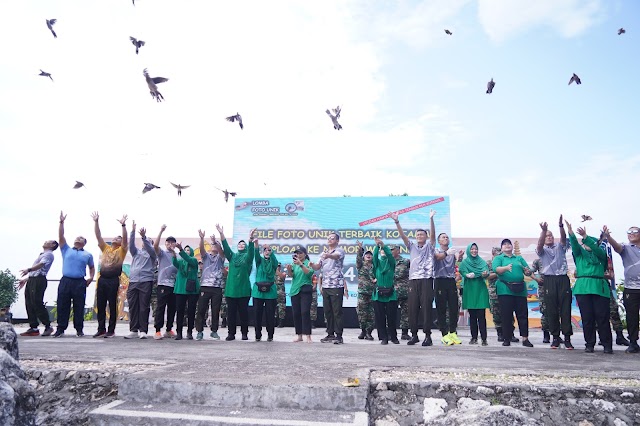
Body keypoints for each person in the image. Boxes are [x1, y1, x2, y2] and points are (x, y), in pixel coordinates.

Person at [390, 209, 436, 347]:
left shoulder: (430, 246)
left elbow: (433, 235)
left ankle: (428, 336)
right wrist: (397, 221)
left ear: (426, 236)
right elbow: (403, 236)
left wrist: (431, 219)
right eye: (417, 234)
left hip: (426, 279)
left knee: (426, 308)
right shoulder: (412, 247)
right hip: (413, 281)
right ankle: (414, 335)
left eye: (422, 234)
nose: (419, 236)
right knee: (412, 308)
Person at [567, 221, 612, 353]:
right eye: (584, 243)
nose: (585, 245)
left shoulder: (601, 255)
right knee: (587, 318)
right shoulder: (579, 256)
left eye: (588, 242)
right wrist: (571, 233)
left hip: (599, 287)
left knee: (602, 317)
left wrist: (586, 236)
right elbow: (575, 246)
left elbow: (598, 249)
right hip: (583, 288)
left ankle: (607, 345)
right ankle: (589, 344)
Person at [54, 211, 95, 338]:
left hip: (79, 282)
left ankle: (79, 329)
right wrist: (61, 223)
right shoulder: (66, 249)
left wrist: (91, 277)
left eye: (80, 238)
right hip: (66, 280)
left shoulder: (87, 254)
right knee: (62, 305)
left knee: (79, 306)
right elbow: (61, 236)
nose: (78, 239)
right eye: (77, 238)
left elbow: (92, 267)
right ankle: (60, 328)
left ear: (84, 243)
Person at [535, 216, 573, 349]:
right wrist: (543, 231)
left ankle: (567, 338)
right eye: (547, 236)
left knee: (565, 309)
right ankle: (555, 337)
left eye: (551, 235)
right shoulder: (542, 250)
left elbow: (563, 238)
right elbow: (539, 245)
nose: (549, 237)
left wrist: (561, 226)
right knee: (551, 310)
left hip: (562, 279)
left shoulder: (560, 247)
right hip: (549, 280)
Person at [602, 224, 640, 353]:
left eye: (634, 231)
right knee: (632, 316)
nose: (630, 234)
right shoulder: (626, 247)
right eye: (628, 232)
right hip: (631, 289)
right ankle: (633, 342)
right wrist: (608, 236)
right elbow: (616, 247)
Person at [91, 211, 128, 338]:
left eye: (118, 238)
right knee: (100, 304)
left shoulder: (121, 251)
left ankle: (111, 330)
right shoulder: (105, 248)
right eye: (115, 237)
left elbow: (125, 241)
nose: (115, 238)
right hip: (102, 279)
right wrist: (96, 222)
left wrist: (123, 226)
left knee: (112, 305)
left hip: (113, 280)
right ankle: (101, 328)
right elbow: (98, 236)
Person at [492, 238, 533, 347]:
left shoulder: (519, 258)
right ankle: (507, 338)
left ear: (512, 246)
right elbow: (496, 270)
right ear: (501, 248)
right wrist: (505, 268)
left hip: (520, 289)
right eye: (504, 244)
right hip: (505, 289)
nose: (507, 245)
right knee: (506, 315)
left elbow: (527, 270)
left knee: (523, 315)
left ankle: (525, 338)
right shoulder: (498, 258)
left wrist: (528, 272)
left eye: (509, 244)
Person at [218, 224, 256, 341]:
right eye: (239, 244)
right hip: (231, 290)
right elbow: (226, 247)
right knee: (231, 313)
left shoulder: (247, 257)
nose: (241, 245)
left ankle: (244, 333)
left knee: (243, 313)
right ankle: (231, 334)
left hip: (243, 290)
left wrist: (250, 240)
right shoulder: (232, 256)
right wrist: (221, 233)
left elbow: (251, 252)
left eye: (243, 244)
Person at [311, 232, 347, 345]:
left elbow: (336, 257)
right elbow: (318, 266)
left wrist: (329, 256)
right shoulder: (323, 253)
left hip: (336, 285)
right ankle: (330, 333)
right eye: (328, 238)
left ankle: (339, 335)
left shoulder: (339, 251)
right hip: (325, 285)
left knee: (337, 311)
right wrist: (312, 265)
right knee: (328, 312)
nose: (330, 240)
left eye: (332, 238)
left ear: (337, 241)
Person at [18, 240, 59, 337]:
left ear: (53, 245)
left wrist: (29, 269)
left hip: (39, 280)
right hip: (33, 279)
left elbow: (41, 265)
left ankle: (47, 326)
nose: (45, 242)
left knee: (37, 302)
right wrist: (27, 279)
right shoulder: (42, 254)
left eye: (48, 241)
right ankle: (34, 328)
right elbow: (37, 271)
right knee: (29, 303)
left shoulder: (49, 254)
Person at [124, 221, 157, 339]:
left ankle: (143, 330)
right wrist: (133, 231)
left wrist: (144, 237)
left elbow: (151, 249)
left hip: (145, 281)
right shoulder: (136, 252)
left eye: (148, 241)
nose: (144, 243)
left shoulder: (152, 254)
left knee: (144, 306)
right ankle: (133, 330)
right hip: (133, 282)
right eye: (144, 241)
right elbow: (131, 245)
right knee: (133, 306)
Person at [434, 233, 463, 345]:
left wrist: (459, 256)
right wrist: (447, 253)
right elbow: (438, 257)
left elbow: (456, 262)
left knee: (454, 307)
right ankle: (444, 334)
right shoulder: (436, 250)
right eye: (443, 237)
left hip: (451, 281)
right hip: (439, 280)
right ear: (439, 241)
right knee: (441, 308)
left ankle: (453, 332)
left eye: (447, 237)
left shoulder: (452, 252)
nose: (446, 238)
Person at [195, 231, 225, 341]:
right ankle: (199, 331)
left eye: (216, 245)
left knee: (215, 310)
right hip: (205, 286)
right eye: (213, 245)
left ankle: (214, 331)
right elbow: (201, 249)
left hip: (217, 287)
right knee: (201, 309)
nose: (214, 246)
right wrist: (202, 238)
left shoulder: (221, 258)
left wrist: (215, 242)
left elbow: (222, 252)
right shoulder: (206, 257)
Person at [459, 243, 490, 346]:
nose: (474, 251)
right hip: (470, 289)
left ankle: (484, 339)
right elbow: (462, 270)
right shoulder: (465, 262)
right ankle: (474, 338)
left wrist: (485, 274)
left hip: (480, 289)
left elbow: (486, 272)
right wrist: (466, 274)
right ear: (469, 250)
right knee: (472, 316)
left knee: (481, 315)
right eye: (472, 249)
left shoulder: (481, 262)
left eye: (476, 249)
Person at [152, 225, 177, 339]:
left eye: (172, 243)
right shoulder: (162, 253)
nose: (170, 244)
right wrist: (161, 231)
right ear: (166, 244)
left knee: (172, 308)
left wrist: (176, 253)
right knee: (161, 308)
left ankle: (169, 329)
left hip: (175, 286)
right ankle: (157, 330)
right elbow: (155, 246)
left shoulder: (179, 256)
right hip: (163, 284)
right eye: (168, 243)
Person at [252, 240, 279, 342]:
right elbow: (256, 254)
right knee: (257, 314)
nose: (267, 252)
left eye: (269, 250)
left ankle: (270, 335)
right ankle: (257, 335)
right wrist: (256, 244)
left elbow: (275, 261)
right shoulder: (259, 261)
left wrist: (271, 252)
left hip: (270, 292)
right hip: (258, 292)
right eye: (265, 250)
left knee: (270, 315)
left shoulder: (273, 262)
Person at [372, 238, 398, 345]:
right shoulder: (377, 264)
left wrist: (383, 245)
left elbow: (390, 256)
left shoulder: (391, 263)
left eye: (384, 250)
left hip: (391, 293)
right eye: (381, 250)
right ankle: (383, 337)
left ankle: (394, 336)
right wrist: (377, 246)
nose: (383, 251)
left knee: (392, 317)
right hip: (378, 294)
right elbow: (374, 257)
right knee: (380, 317)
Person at [172, 242, 200, 340]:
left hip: (192, 290)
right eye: (185, 249)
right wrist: (173, 255)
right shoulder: (180, 261)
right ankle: (179, 332)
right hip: (180, 289)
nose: (186, 251)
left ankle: (189, 332)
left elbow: (188, 259)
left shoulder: (194, 260)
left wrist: (180, 250)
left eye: (188, 250)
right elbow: (175, 263)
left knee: (191, 312)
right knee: (179, 311)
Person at [288, 246, 314, 343]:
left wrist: (301, 264)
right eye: (297, 253)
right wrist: (289, 269)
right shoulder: (294, 263)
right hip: (295, 290)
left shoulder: (309, 263)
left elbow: (309, 273)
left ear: (305, 254)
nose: (298, 255)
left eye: (300, 253)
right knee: (296, 313)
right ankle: (299, 335)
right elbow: (291, 275)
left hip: (305, 290)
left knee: (305, 312)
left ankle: (308, 335)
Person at [355, 240, 375, 341]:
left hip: (373, 293)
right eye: (366, 254)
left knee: (371, 314)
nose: (368, 256)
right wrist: (360, 250)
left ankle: (369, 332)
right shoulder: (361, 265)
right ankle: (363, 330)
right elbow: (358, 259)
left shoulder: (375, 266)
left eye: (370, 255)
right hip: (363, 292)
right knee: (361, 313)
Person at [391, 245, 410, 340]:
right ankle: (391, 333)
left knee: (406, 312)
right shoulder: (387, 262)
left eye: (392, 250)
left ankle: (404, 333)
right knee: (390, 312)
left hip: (404, 290)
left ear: (398, 251)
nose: (390, 252)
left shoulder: (406, 261)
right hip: (391, 291)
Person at [529, 258, 549, 343]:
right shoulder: (538, 260)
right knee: (544, 311)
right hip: (543, 288)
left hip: (556, 286)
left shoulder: (556, 257)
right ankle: (546, 334)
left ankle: (556, 335)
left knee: (557, 311)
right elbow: (530, 272)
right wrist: (536, 279)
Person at [275, 263, 287, 328]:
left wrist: (277, 271)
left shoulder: (283, 273)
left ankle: (281, 322)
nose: (278, 267)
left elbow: (282, 277)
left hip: (281, 293)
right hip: (273, 293)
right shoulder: (272, 274)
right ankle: (274, 321)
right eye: (277, 266)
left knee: (281, 308)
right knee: (274, 308)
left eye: (279, 266)